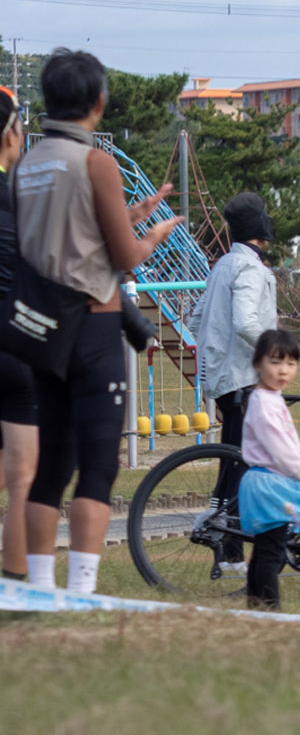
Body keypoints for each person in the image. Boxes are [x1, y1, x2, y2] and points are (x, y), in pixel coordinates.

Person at [14, 50, 180, 595]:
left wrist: (126, 216)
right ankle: (81, 589)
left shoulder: (26, 166)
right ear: (98, 102)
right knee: (98, 466)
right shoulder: (96, 162)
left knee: (51, 467)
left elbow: (65, 234)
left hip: (41, 330)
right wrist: (151, 234)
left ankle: (41, 589)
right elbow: (125, 257)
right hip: (93, 327)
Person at [189, 191, 279, 574]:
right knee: (245, 465)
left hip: (223, 379)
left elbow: (195, 320)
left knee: (233, 462)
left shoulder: (223, 265)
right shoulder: (250, 268)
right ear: (262, 227)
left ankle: (227, 548)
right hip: (245, 379)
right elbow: (245, 322)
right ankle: (230, 550)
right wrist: (279, 349)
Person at [236, 330, 300, 612]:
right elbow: (279, 447)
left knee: (263, 550)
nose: (283, 371)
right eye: (275, 362)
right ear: (258, 363)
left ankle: (256, 607)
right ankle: (271, 611)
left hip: (267, 483)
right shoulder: (264, 403)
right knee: (272, 553)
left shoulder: (268, 397)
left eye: (291, 364)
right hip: (270, 485)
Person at [0, 85, 38, 581]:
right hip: (13, 350)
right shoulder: (22, 195)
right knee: (24, 477)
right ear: (10, 133)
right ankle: (13, 586)